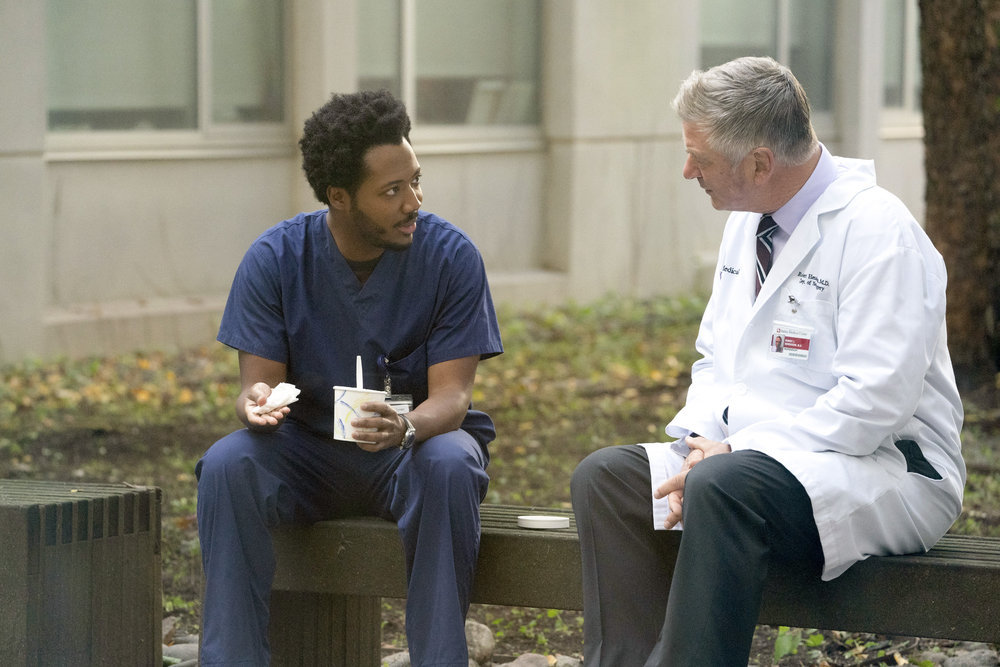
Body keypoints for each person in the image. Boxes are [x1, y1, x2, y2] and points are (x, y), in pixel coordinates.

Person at [570, 56, 965, 666]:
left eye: (698, 158)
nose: (687, 171)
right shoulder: (749, 223)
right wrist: (701, 441)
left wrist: (734, 453)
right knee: (605, 479)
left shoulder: (879, 232)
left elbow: (874, 404)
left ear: (758, 163)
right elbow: (716, 359)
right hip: (746, 463)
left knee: (721, 486)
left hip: (886, 467)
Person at [196, 89, 503, 666]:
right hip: (306, 455)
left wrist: (405, 428)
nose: (413, 201)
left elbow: (453, 397)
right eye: (391, 191)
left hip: (410, 454)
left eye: (415, 181)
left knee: (451, 461)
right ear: (339, 197)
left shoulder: (450, 258)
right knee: (228, 463)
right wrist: (255, 403)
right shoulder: (275, 259)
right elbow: (257, 388)